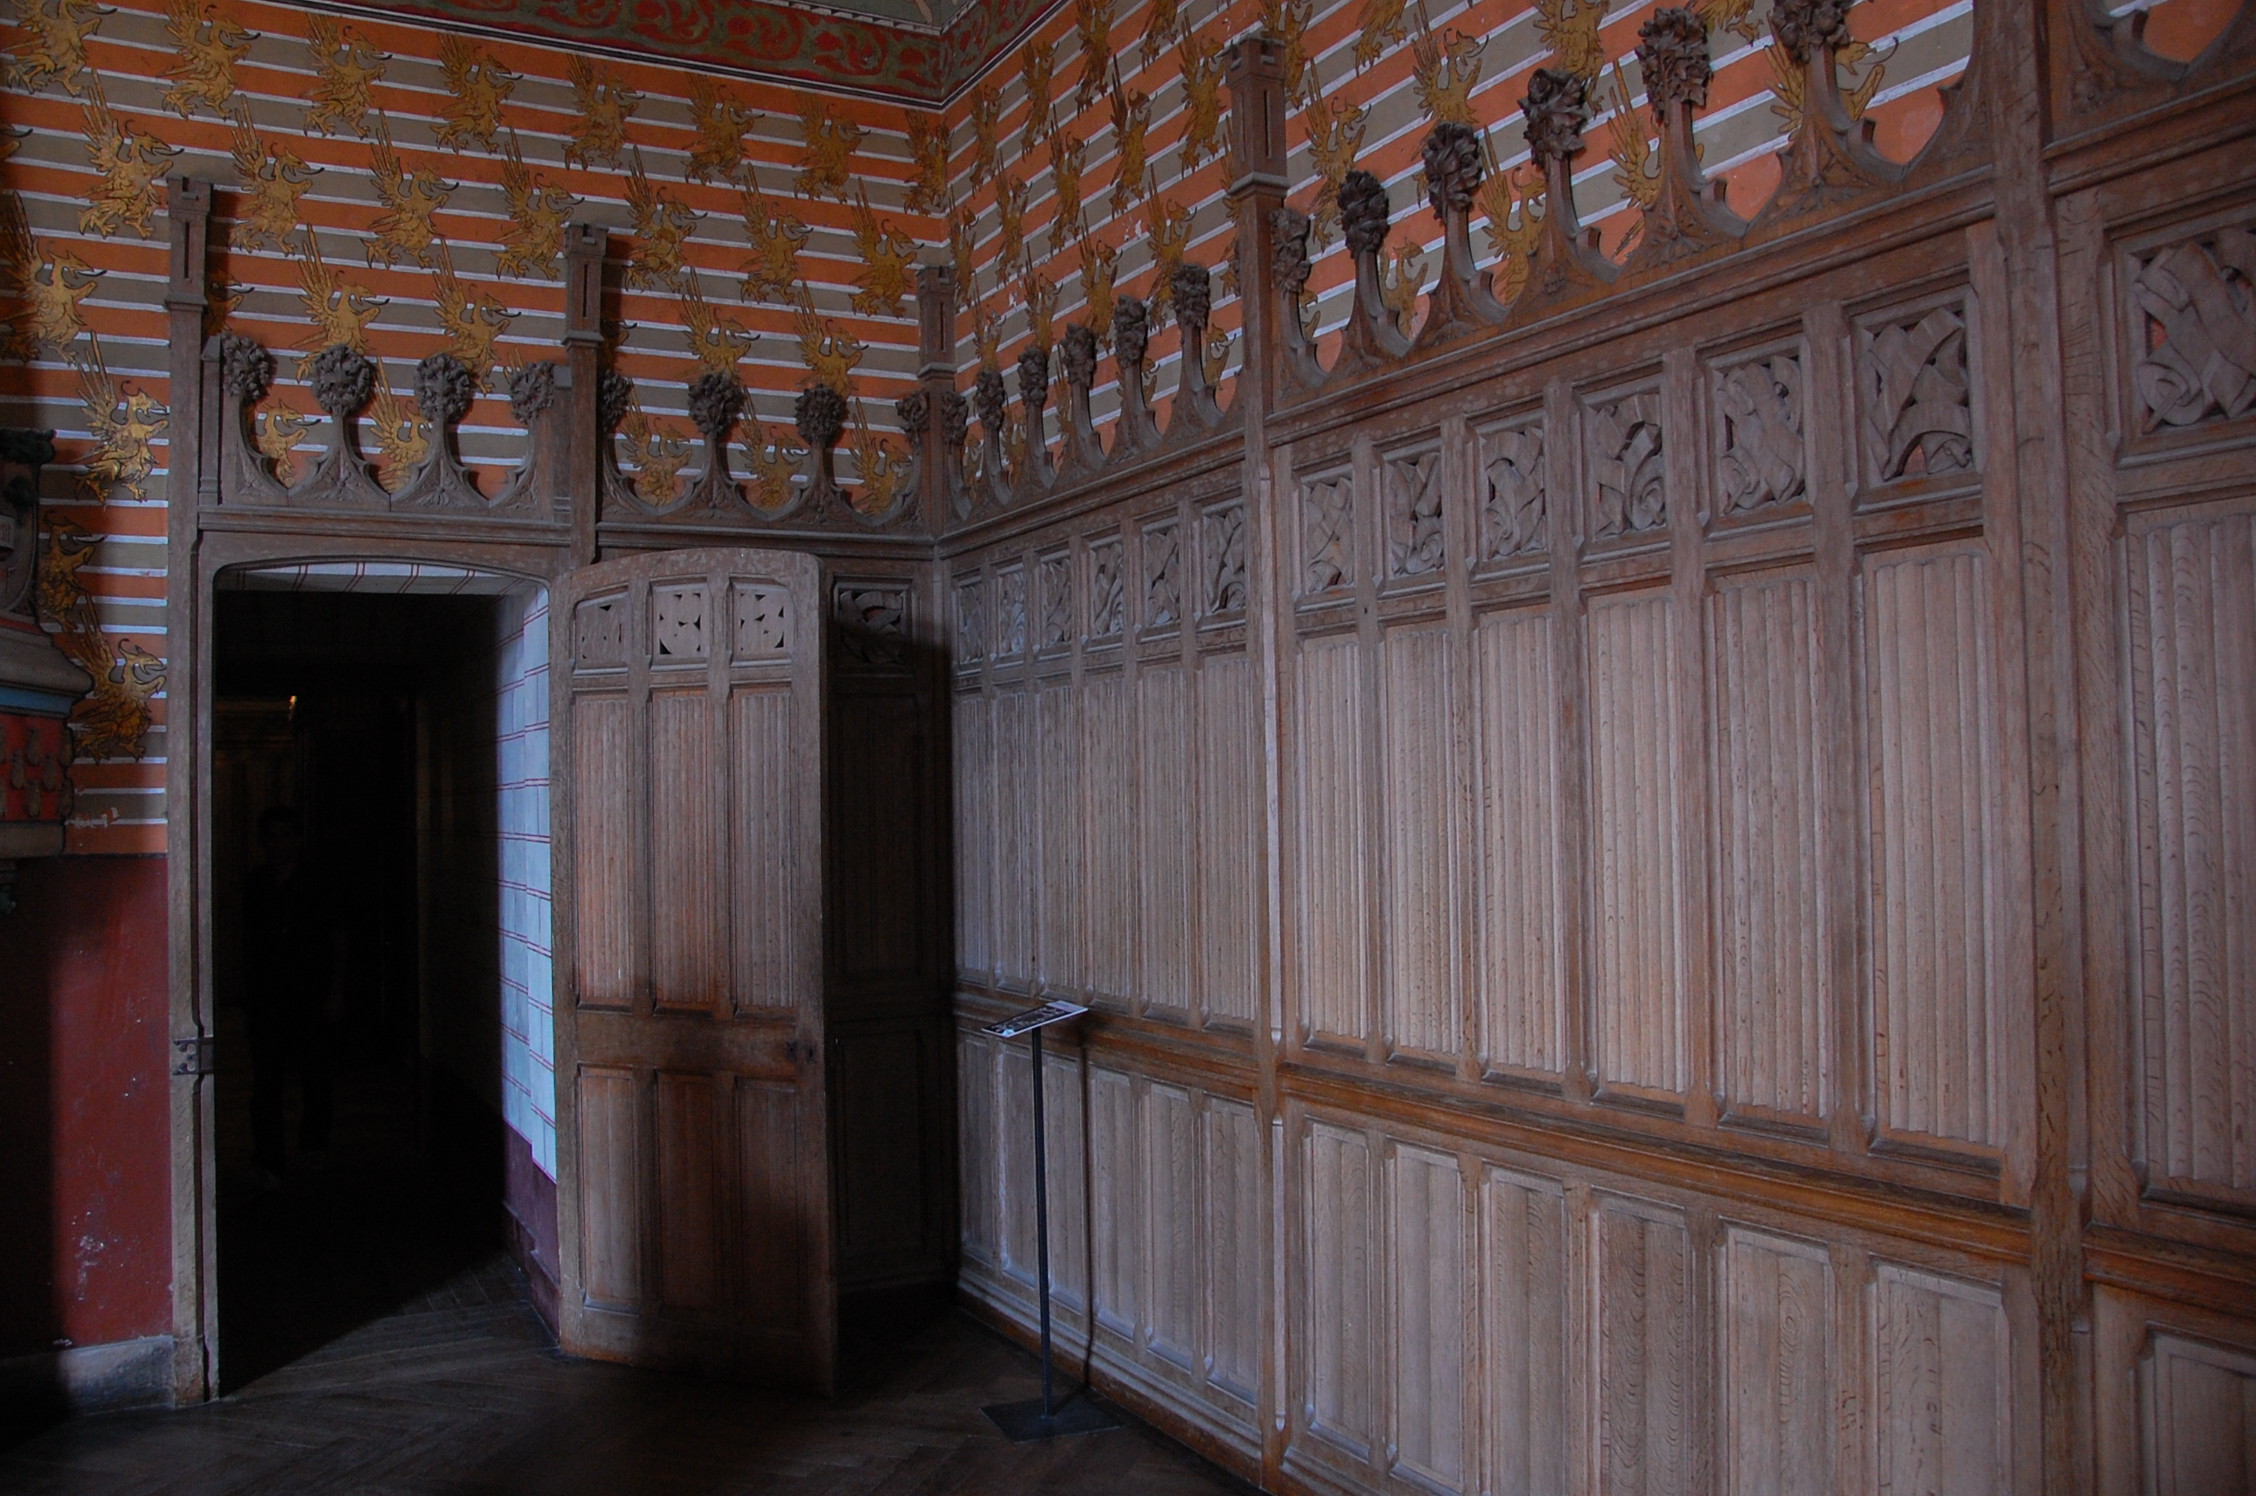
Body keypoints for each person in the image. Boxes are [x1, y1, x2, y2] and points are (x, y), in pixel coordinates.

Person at [241, 805, 342, 1186]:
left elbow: (336, 937)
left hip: (309, 992)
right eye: (272, 837)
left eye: (285, 836)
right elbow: (248, 942)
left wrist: (335, 990)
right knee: (266, 1081)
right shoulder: (256, 884)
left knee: (315, 1075)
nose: (278, 845)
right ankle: (269, 1157)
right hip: (268, 995)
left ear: (297, 841)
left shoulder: (317, 884)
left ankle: (314, 1147)